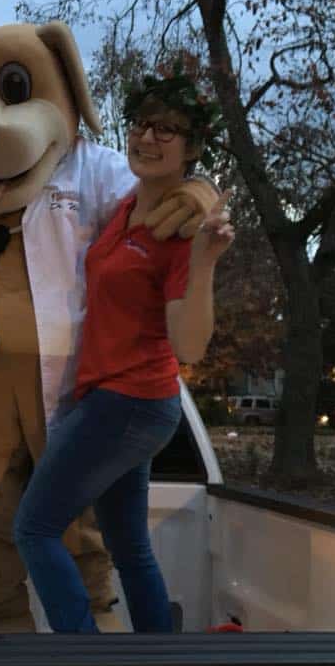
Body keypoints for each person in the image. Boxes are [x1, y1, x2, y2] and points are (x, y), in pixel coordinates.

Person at [13, 67, 234, 633]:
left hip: (130, 400)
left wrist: (206, 259)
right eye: (142, 124)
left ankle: (85, 659)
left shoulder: (184, 236)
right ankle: (159, 658)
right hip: (116, 397)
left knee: (35, 529)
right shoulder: (127, 209)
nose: (149, 138)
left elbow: (189, 343)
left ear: (192, 147)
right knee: (128, 543)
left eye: (168, 129)